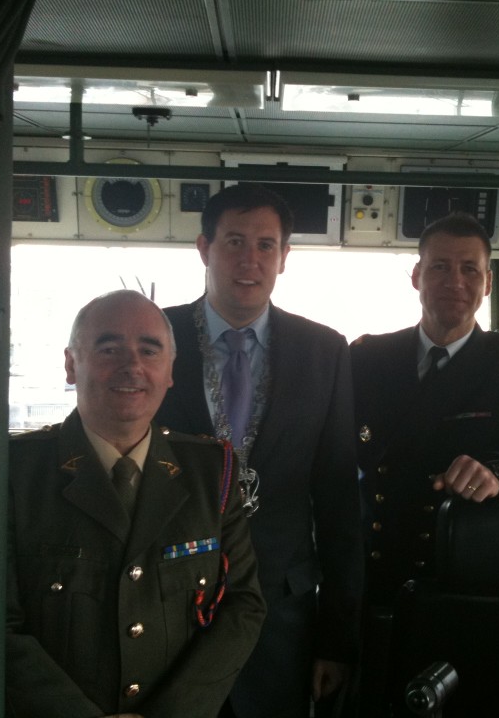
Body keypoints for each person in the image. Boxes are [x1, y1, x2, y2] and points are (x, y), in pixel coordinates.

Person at [5, 289, 266, 718]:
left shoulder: (212, 470)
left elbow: (242, 605)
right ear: (71, 364)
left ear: (169, 372)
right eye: (109, 348)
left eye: (150, 350)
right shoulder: (15, 474)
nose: (132, 366)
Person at [154, 183, 363, 718]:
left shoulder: (325, 351)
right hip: (165, 602)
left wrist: (337, 640)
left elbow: (338, 499)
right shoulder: (155, 336)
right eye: (235, 242)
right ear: (204, 249)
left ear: (285, 257)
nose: (250, 261)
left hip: (282, 613)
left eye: (266, 245)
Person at [349, 212, 499, 715]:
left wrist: (498, 473)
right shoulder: (367, 357)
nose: (455, 282)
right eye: (440, 267)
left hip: (457, 580)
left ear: (488, 282)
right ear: (417, 277)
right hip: (373, 576)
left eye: (470, 269)